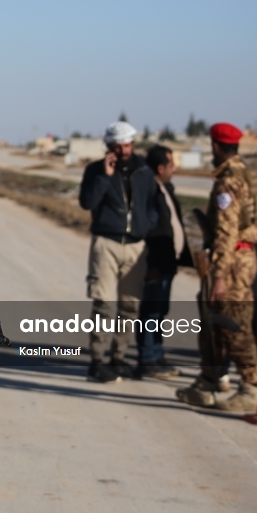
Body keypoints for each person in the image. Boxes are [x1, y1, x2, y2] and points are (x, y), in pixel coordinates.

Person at [176, 123, 257, 411]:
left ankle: (250, 386)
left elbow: (226, 232)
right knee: (213, 325)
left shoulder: (228, 181)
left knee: (233, 324)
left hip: (233, 263)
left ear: (215, 147)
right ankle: (207, 381)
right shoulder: (247, 175)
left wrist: (220, 276)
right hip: (241, 257)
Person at [78, 121, 159, 382]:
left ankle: (119, 357)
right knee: (103, 303)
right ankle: (97, 360)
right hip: (106, 243)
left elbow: (154, 204)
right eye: (117, 146)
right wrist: (105, 176)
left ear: (133, 144)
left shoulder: (144, 172)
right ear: (109, 147)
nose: (123, 150)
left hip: (136, 245)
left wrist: (147, 224)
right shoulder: (96, 171)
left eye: (126, 145)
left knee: (130, 305)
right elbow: (87, 202)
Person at [136, 145, 192, 379]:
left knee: (160, 310)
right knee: (150, 311)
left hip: (169, 261)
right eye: (171, 165)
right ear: (160, 168)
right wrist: (151, 265)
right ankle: (147, 358)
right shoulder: (150, 190)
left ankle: (156, 354)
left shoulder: (165, 188)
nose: (175, 169)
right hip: (156, 261)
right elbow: (149, 228)